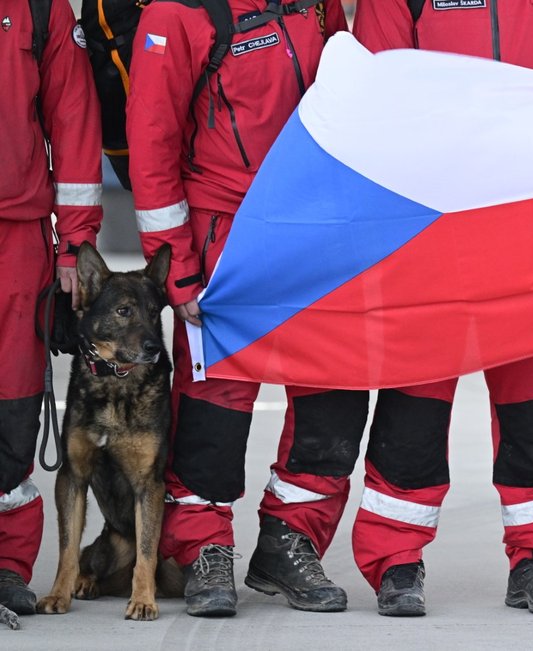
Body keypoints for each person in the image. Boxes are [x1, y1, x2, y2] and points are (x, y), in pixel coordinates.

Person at [350, 0, 533, 618]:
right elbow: (377, 90)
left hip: (528, 221)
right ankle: (396, 562)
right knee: (415, 401)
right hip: (432, 223)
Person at [127, 0, 361, 617]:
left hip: (316, 228)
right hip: (225, 235)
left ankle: (292, 540)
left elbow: (348, 84)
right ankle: (204, 547)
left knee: (333, 394)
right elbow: (152, 142)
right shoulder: (176, 15)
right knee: (215, 406)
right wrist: (177, 267)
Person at [0, 0, 103, 617]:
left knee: (12, 404)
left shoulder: (38, 9)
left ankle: (8, 565)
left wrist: (77, 242)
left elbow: (73, 119)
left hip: (18, 237)